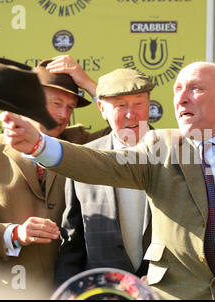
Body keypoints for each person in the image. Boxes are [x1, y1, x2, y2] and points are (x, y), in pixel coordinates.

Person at [0, 61, 215, 300]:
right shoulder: (158, 147)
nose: (181, 98)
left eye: (196, 88)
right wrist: (40, 145)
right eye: (177, 89)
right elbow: (99, 163)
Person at [0, 58, 109, 299]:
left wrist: (90, 85)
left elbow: (129, 131)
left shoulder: (78, 142)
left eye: (70, 108)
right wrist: (16, 234)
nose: (63, 115)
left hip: (74, 293)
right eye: (56, 103)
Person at [53, 67, 154, 287]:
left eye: (139, 103)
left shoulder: (175, 156)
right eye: (120, 106)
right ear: (102, 108)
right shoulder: (83, 159)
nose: (131, 114)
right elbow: (72, 242)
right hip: (103, 291)